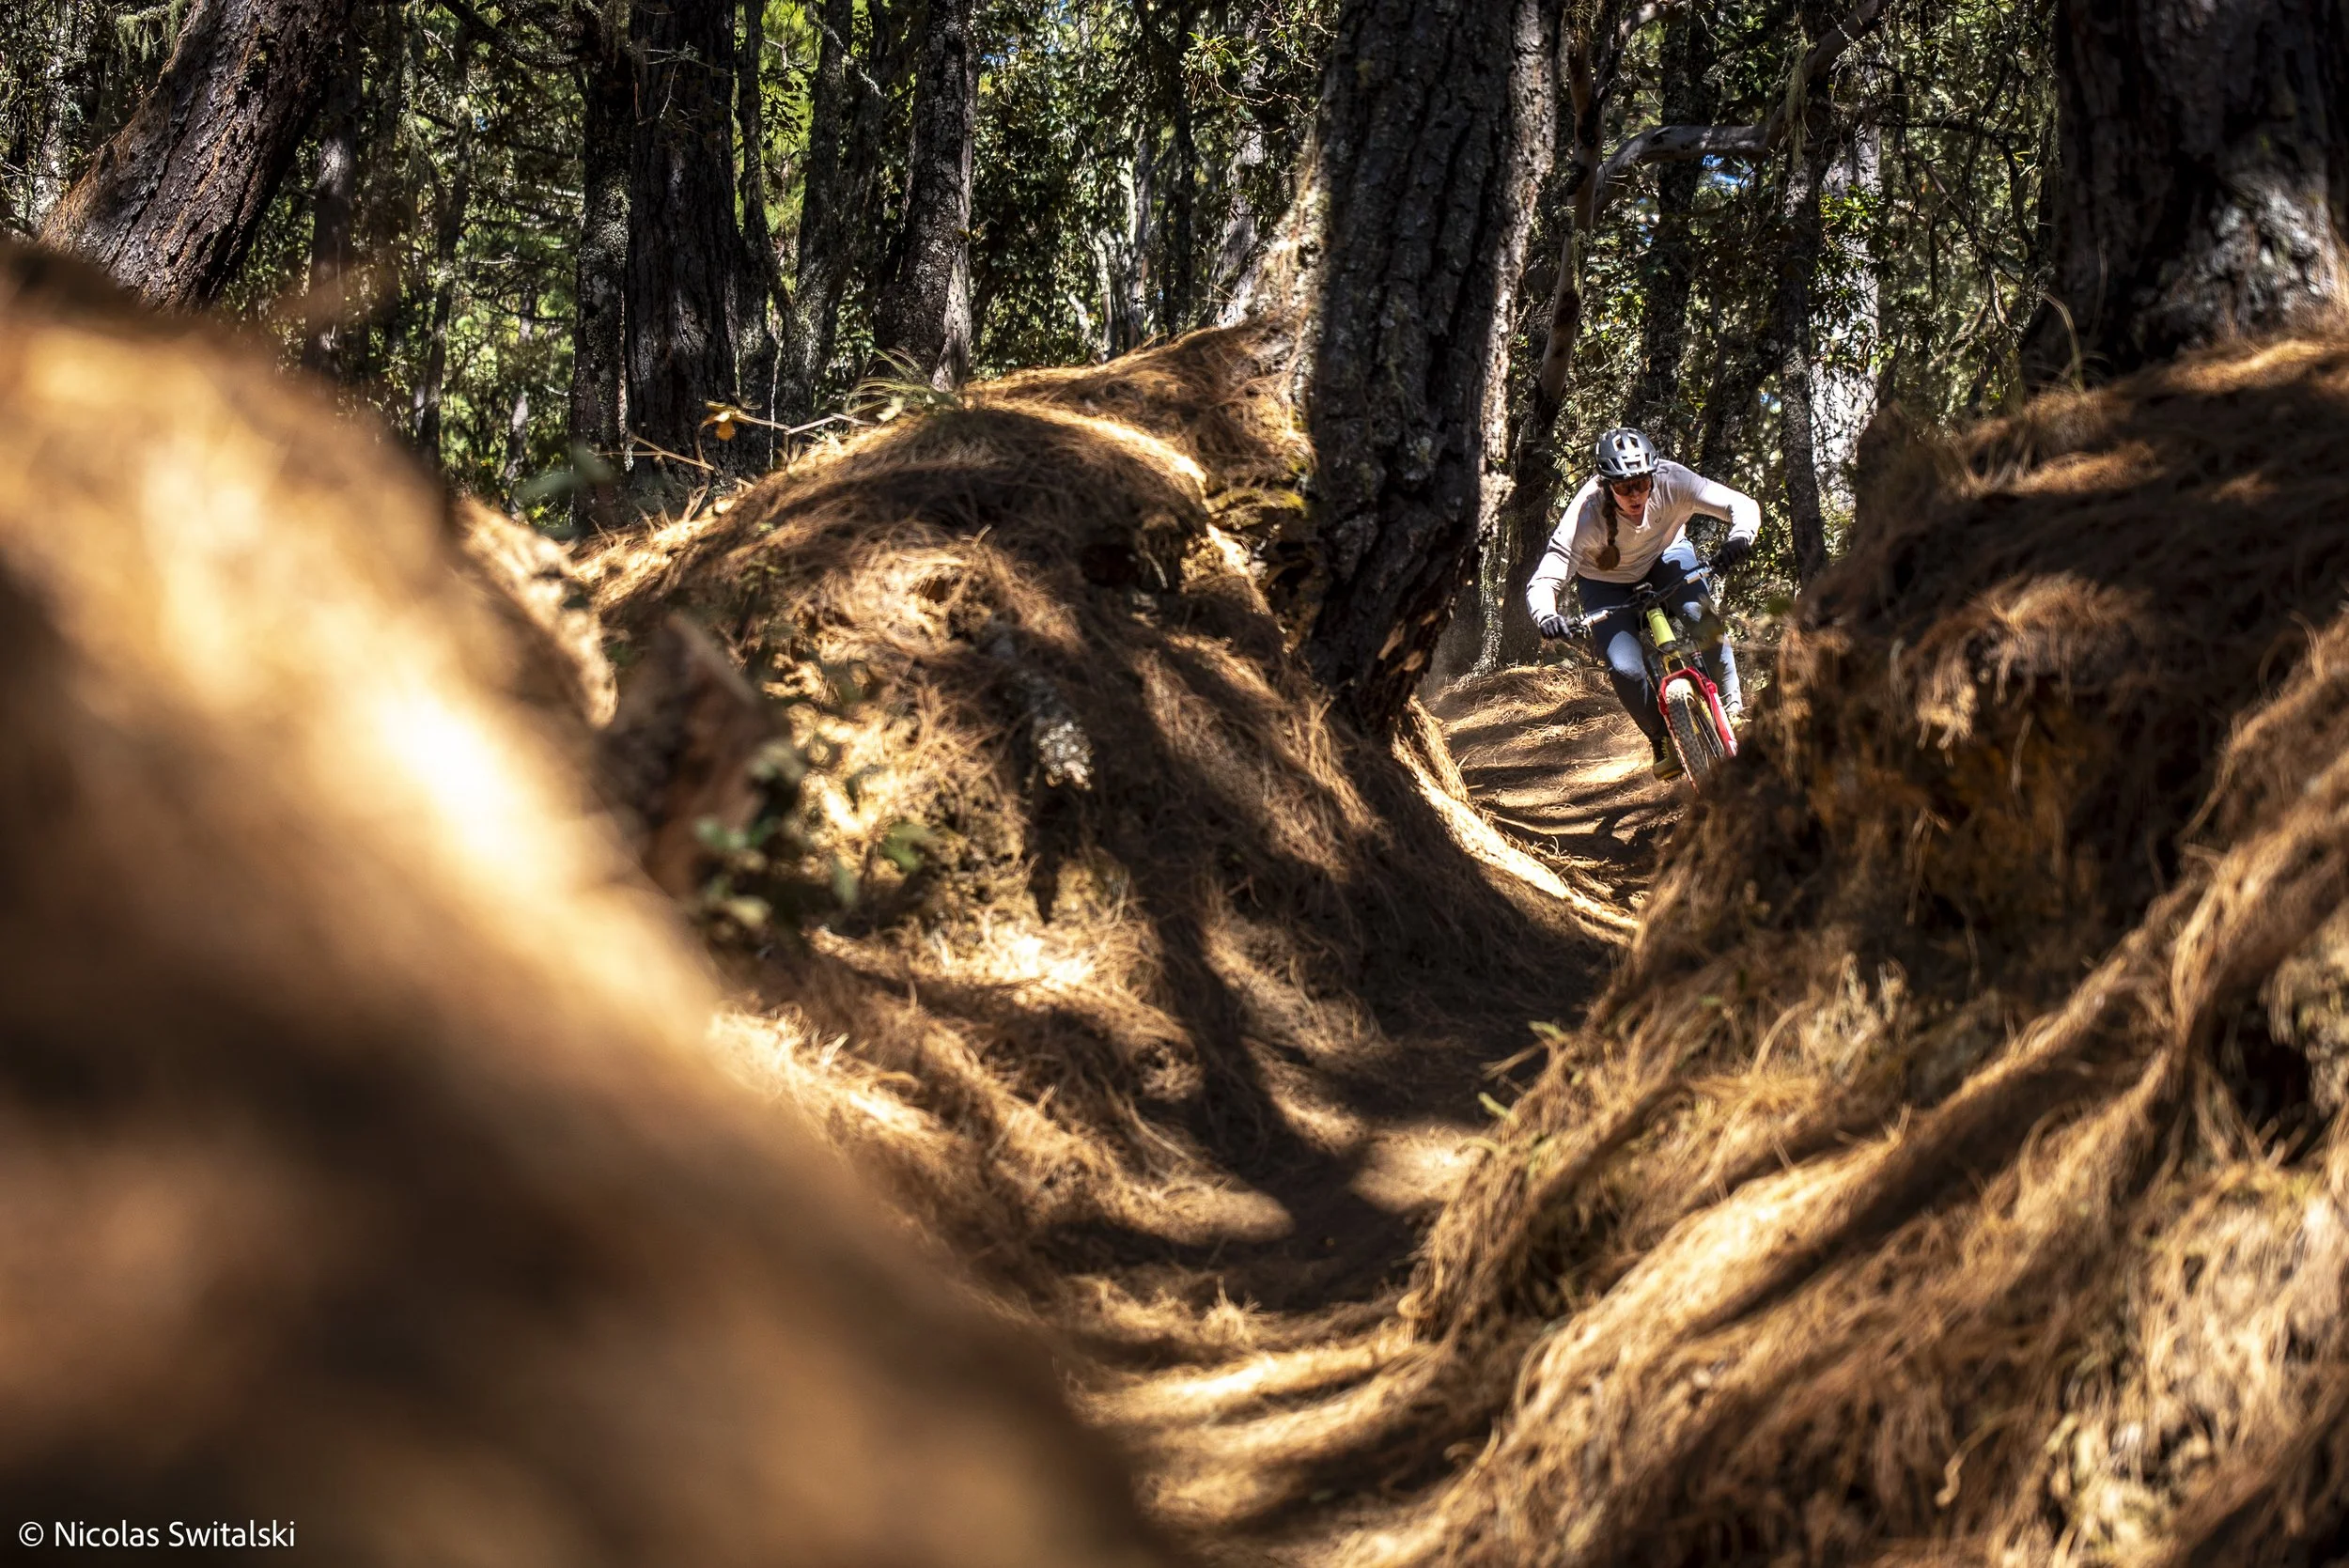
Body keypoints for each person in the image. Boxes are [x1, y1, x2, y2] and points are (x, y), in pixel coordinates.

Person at [1525, 427, 1763, 780]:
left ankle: (1734, 709)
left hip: (1667, 556)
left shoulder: (1672, 481)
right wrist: (1547, 614)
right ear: (1607, 485)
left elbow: (1740, 504)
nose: (1635, 494)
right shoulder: (1585, 514)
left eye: (1642, 483)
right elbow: (1546, 577)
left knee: (1702, 617)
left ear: (1653, 475)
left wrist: (1740, 536)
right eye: (1623, 487)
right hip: (1605, 583)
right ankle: (1661, 738)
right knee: (1625, 668)